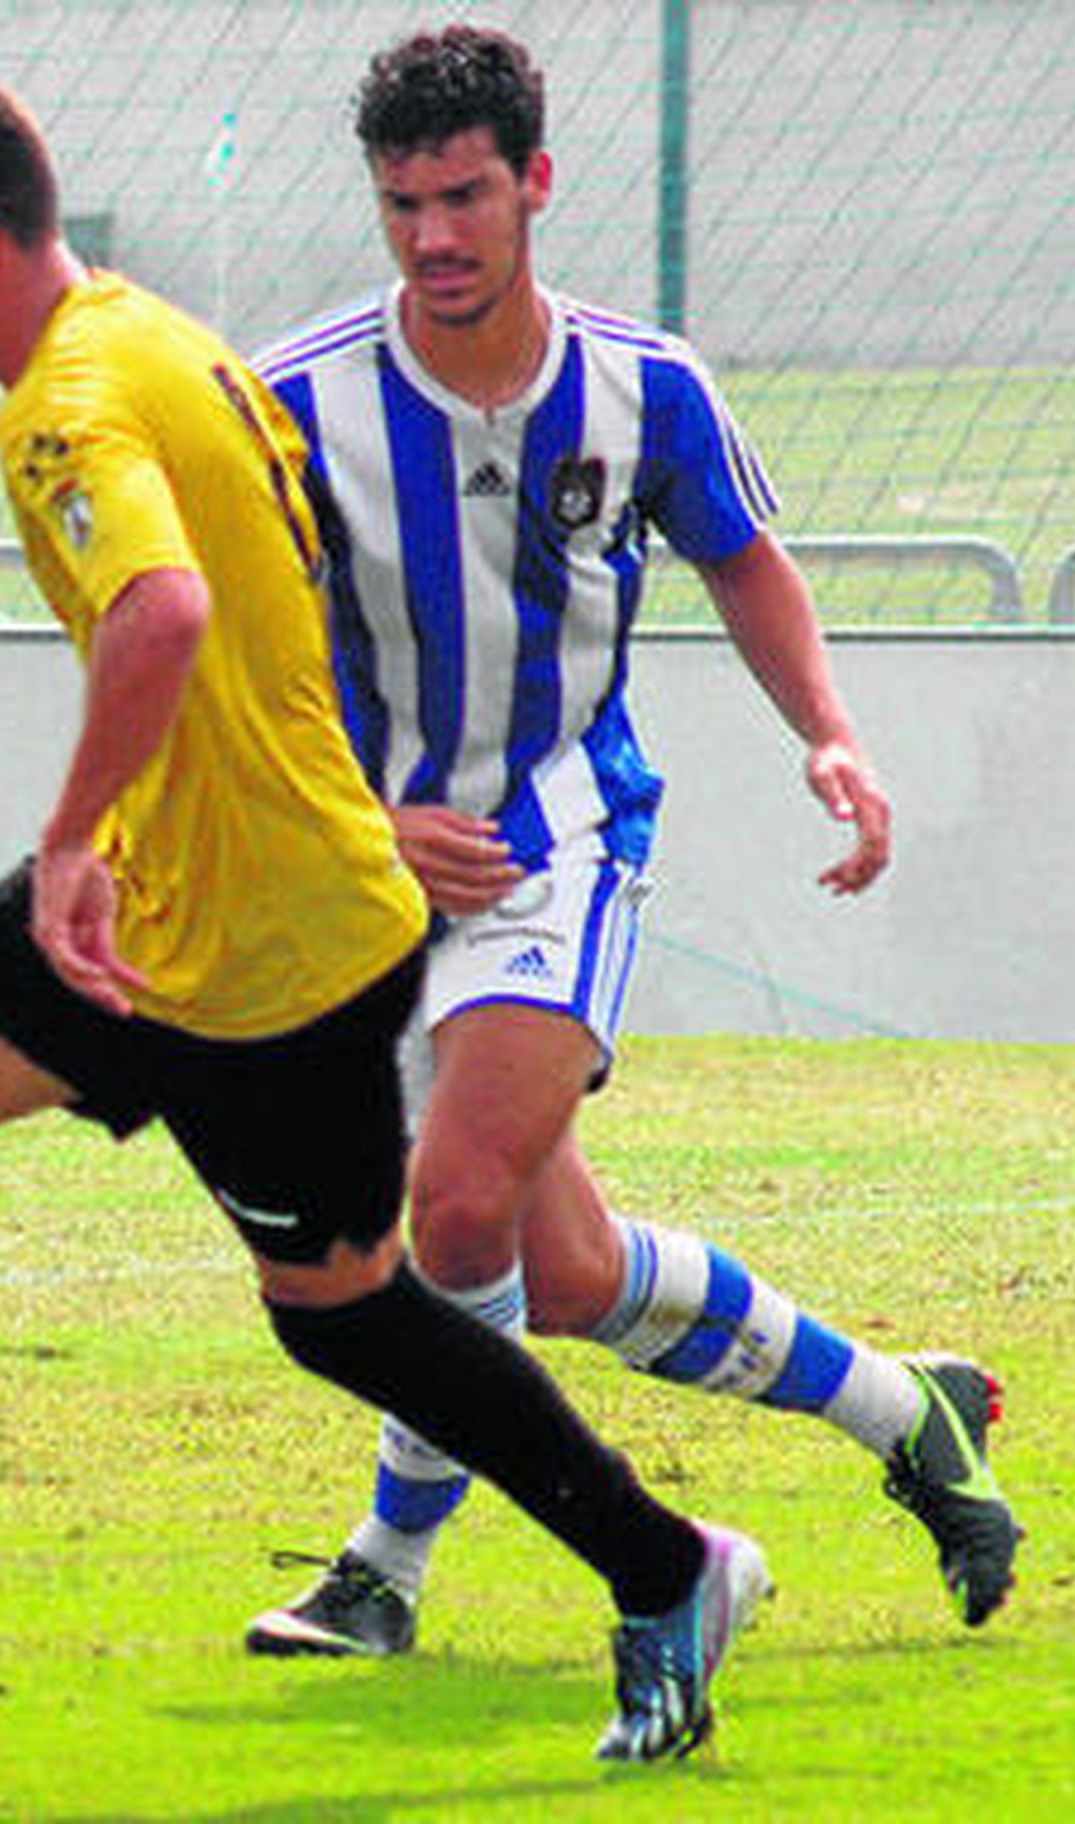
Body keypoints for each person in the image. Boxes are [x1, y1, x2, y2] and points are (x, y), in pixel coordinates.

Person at [0, 49, 769, 1765]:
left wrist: (70, 842)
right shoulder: (150, 332)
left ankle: (671, 1568)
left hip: (268, 955)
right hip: (166, 902)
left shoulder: (68, 400)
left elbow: (159, 615)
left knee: (350, 1317)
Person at [242, 24, 1021, 1660]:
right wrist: (363, 818)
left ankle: (384, 1570)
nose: (435, 237)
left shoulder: (641, 385)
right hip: (363, 871)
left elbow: (745, 560)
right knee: (568, 1271)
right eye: (402, 206)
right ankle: (907, 1412)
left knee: (452, 1220)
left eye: (464, 197)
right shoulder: (300, 402)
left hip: (560, 841)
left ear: (535, 184)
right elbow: (240, 654)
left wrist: (830, 732)